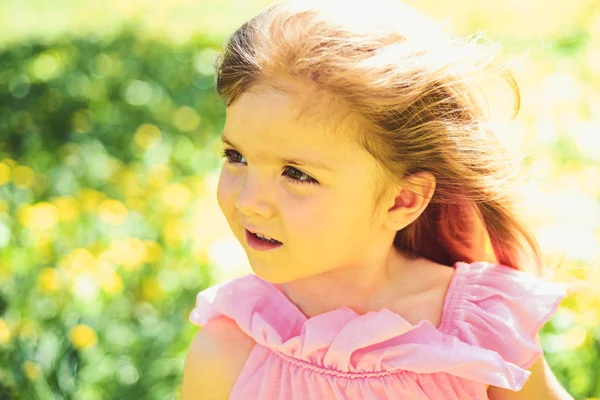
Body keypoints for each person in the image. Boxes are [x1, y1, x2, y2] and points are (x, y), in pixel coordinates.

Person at [182, 0, 576, 398]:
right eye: (236, 157)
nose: (249, 201)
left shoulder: (483, 329)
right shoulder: (229, 351)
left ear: (401, 201)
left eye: (297, 174)